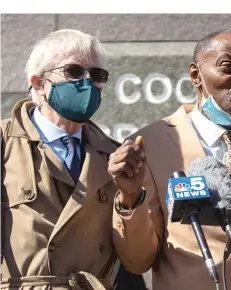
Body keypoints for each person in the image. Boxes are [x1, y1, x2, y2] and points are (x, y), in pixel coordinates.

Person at [108, 29, 231, 290]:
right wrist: (129, 199)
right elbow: (139, 261)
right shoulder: (150, 144)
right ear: (196, 75)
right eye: (228, 67)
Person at [0, 29, 145, 289]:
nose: (88, 82)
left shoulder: (116, 157)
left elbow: (136, 261)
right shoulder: (5, 141)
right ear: (39, 83)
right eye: (74, 72)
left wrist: (129, 198)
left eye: (97, 75)